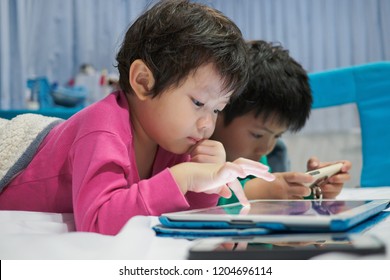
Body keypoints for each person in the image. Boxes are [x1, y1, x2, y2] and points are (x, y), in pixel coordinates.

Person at [0, 1, 275, 235]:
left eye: (216, 109)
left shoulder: (173, 140)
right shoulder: (102, 129)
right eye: (198, 103)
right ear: (143, 81)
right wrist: (182, 178)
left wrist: (208, 182)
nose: (207, 124)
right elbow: (97, 224)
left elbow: (182, 219)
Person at [212, 40, 352, 205]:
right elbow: (191, 200)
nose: (266, 148)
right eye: (257, 134)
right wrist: (257, 191)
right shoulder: (193, 153)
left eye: (277, 136)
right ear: (219, 109)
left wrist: (309, 190)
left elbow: (271, 198)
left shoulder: (256, 159)